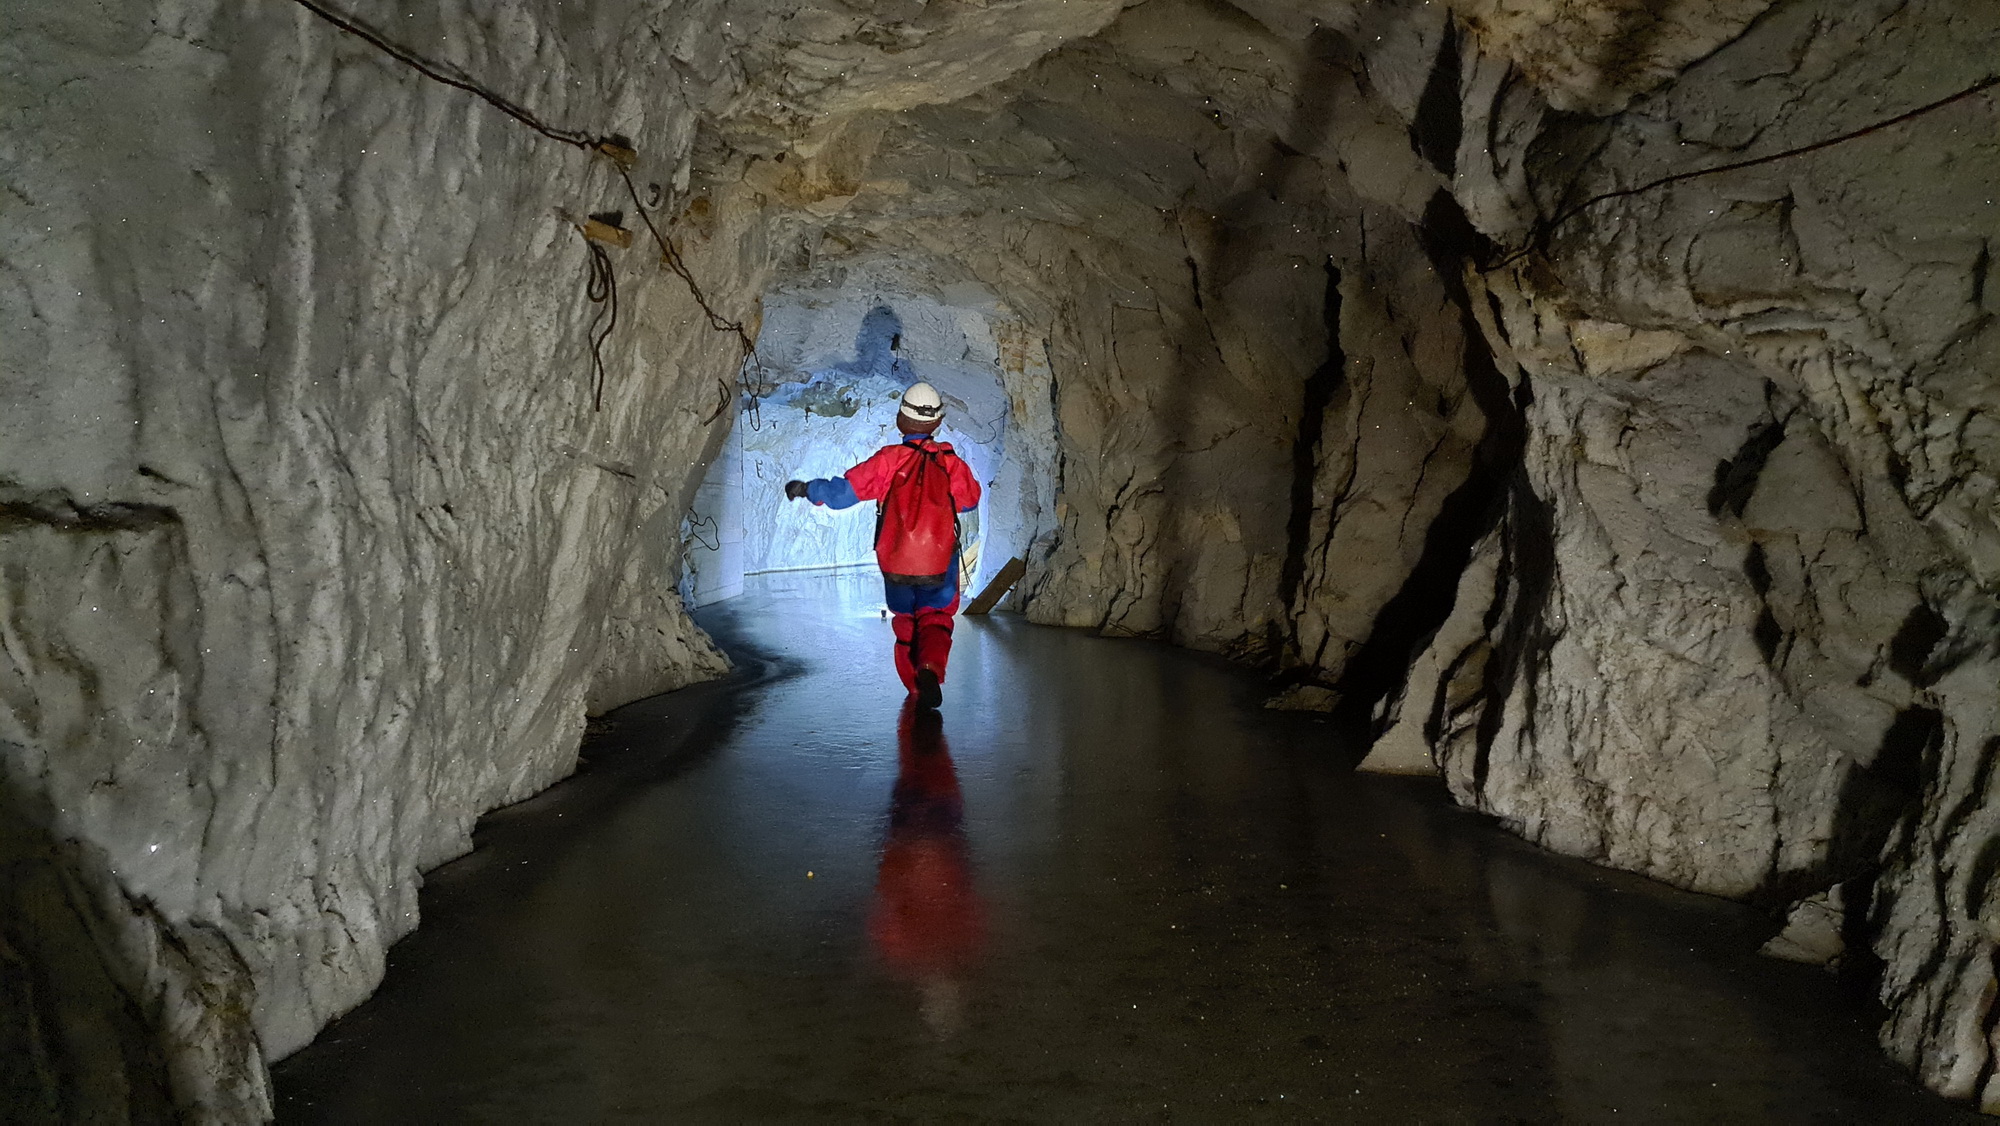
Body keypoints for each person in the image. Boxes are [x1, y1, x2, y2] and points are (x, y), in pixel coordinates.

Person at [784, 382, 981, 709]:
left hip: (897, 560)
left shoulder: (889, 460)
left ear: (901, 421)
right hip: (939, 560)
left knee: (905, 621)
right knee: (936, 618)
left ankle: (914, 689)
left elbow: (842, 494)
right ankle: (930, 669)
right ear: (937, 423)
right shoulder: (949, 461)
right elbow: (970, 500)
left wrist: (807, 489)